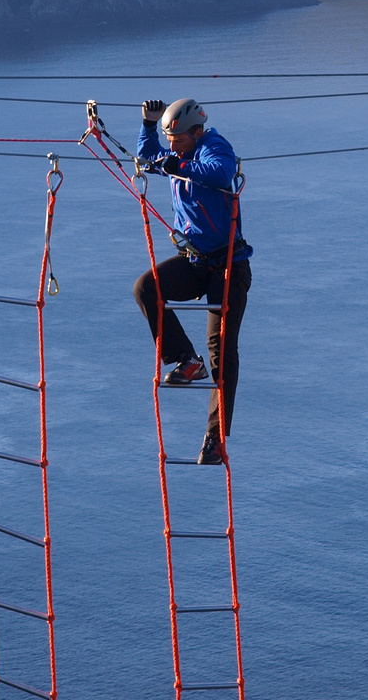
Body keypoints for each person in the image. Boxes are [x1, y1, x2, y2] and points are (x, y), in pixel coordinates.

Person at [132, 98, 253, 465]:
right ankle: (185, 359)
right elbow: (148, 155)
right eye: (170, 139)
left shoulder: (215, 146)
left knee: (222, 350)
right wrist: (148, 125)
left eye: (178, 139)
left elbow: (220, 172)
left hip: (228, 266)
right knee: (147, 288)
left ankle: (215, 438)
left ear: (196, 133)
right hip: (195, 262)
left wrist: (180, 165)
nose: (171, 146)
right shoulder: (178, 151)